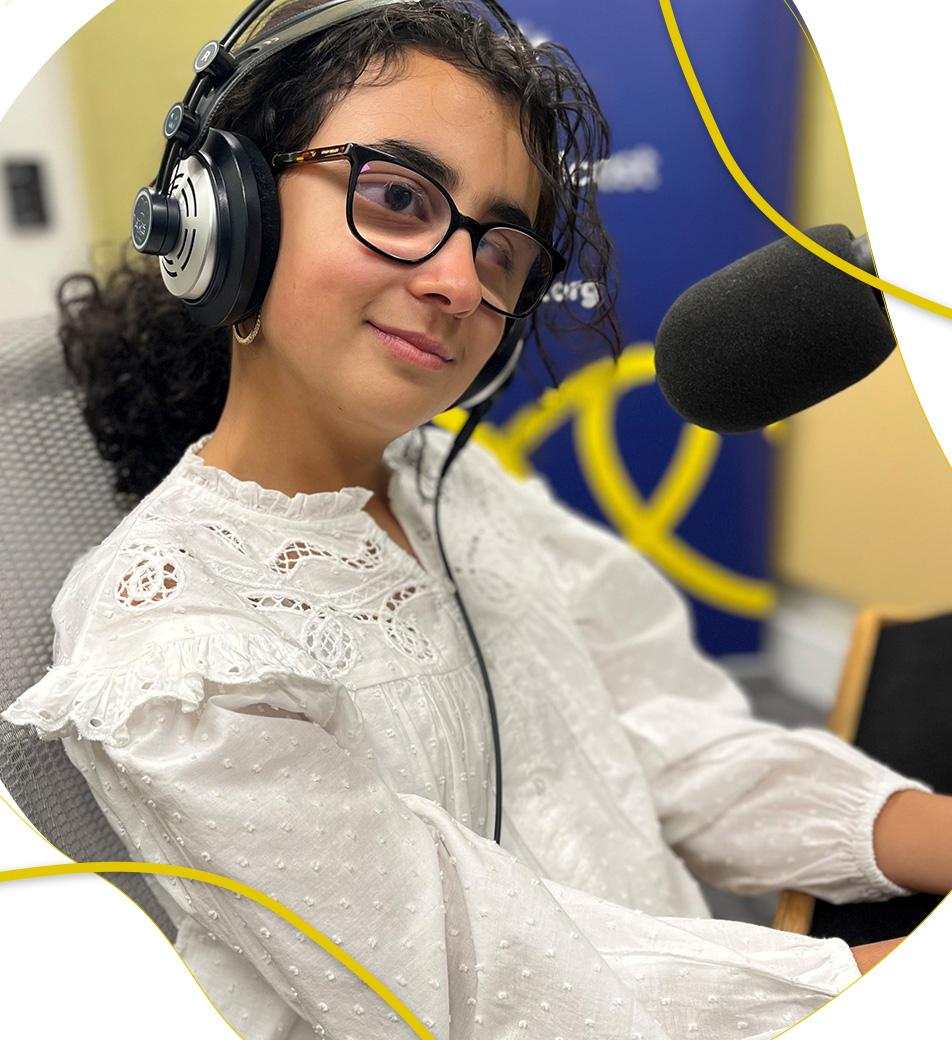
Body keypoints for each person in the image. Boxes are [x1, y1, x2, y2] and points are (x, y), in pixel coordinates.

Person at [3, 2, 950, 1038]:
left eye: (500, 249)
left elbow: (657, 735)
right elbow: (471, 977)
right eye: (397, 198)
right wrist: (864, 980)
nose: (459, 281)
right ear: (225, 214)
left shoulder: (461, 488)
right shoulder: (172, 646)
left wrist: (923, 830)